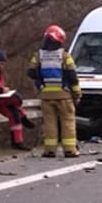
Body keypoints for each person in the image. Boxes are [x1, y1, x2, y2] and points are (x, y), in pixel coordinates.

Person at [27, 25, 81, 158]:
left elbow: (31, 72)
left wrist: (41, 83)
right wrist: (77, 94)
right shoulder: (64, 56)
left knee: (49, 123)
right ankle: (69, 150)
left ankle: (50, 150)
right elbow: (72, 77)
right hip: (64, 95)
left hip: (46, 96)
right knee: (68, 122)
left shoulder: (38, 56)